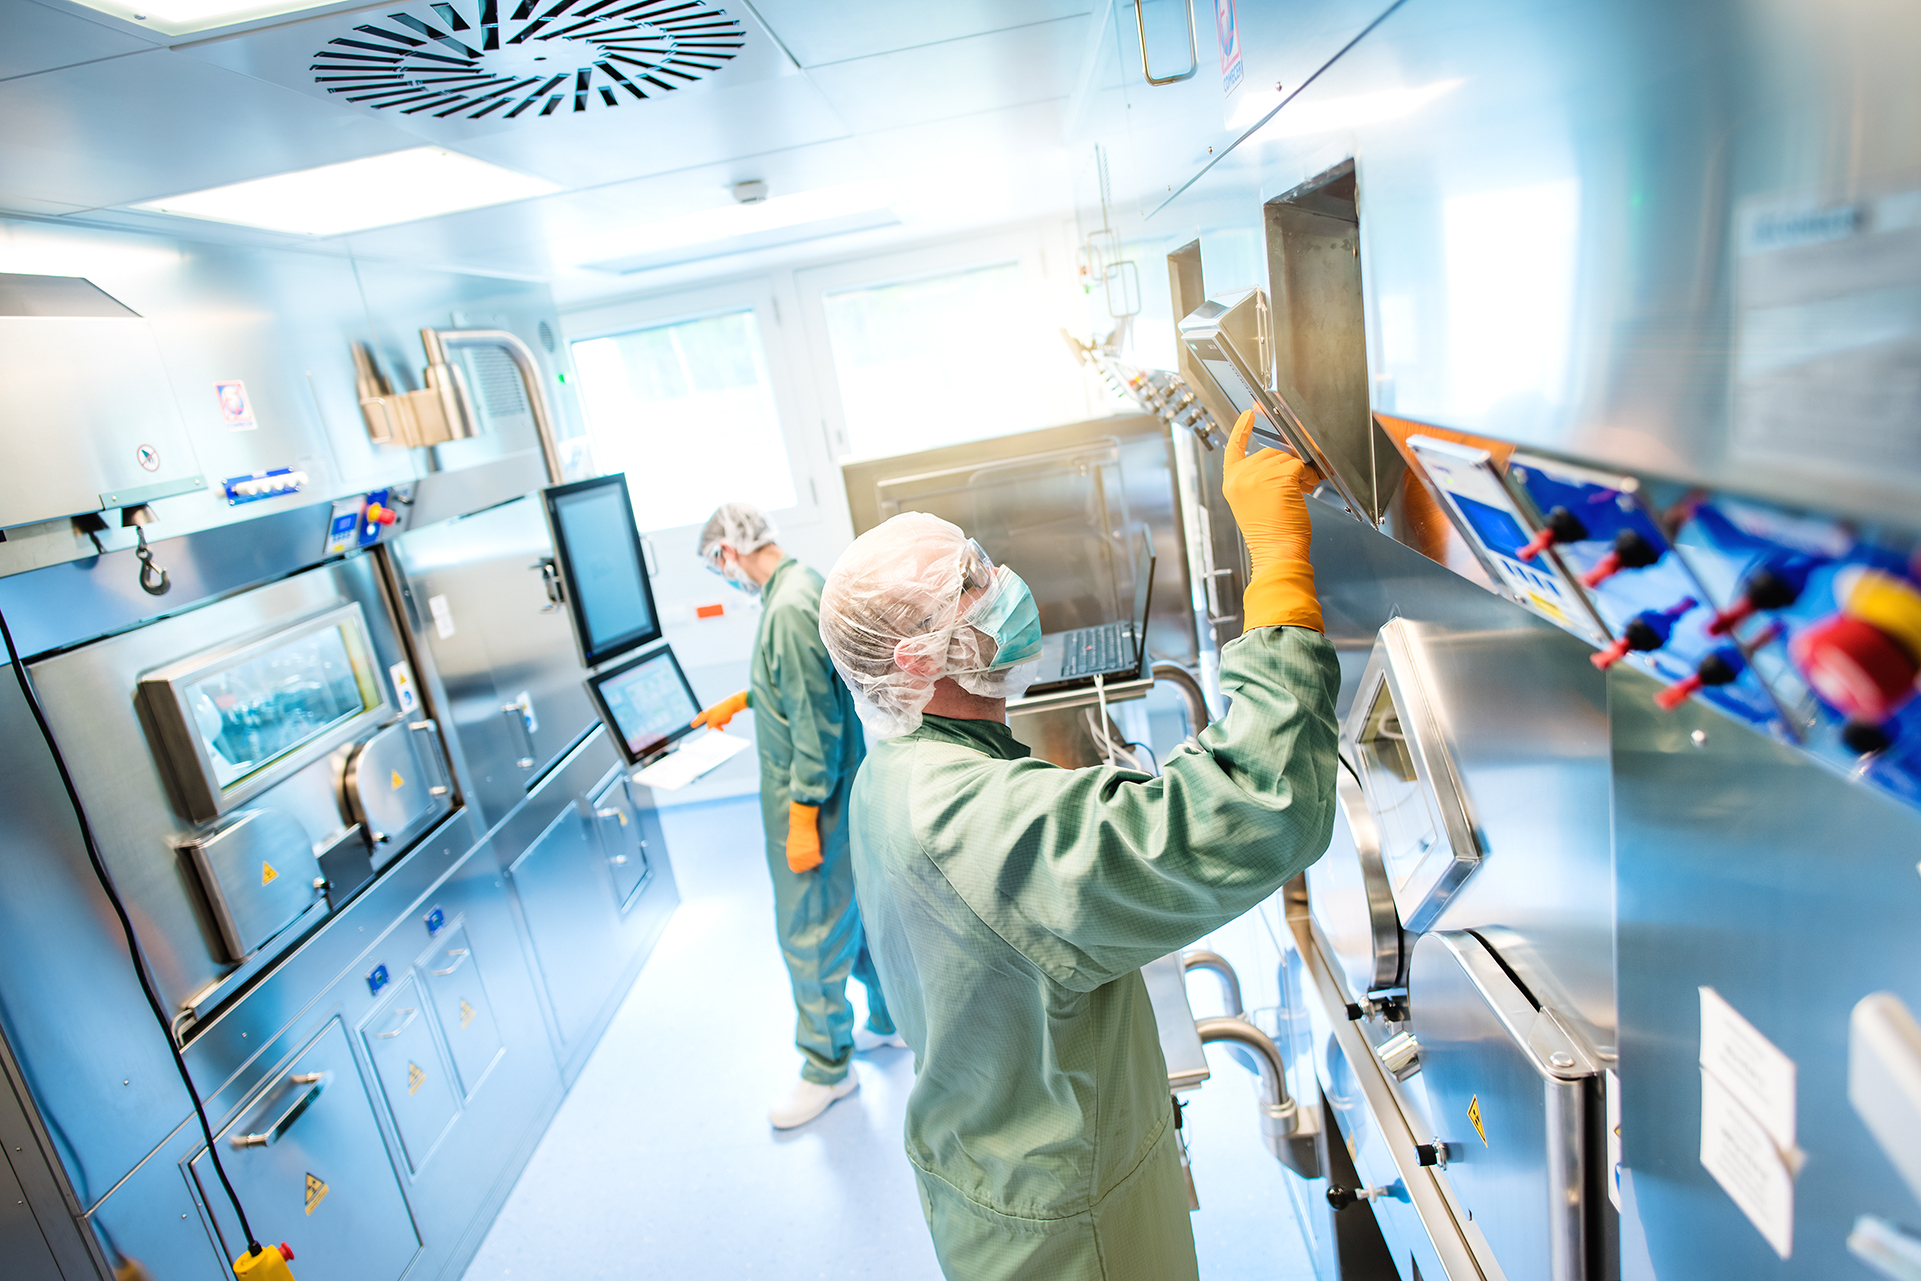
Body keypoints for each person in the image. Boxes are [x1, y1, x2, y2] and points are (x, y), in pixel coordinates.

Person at [815, 411, 1339, 1280]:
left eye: (978, 560)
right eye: (970, 586)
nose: (1002, 582)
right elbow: (1253, 806)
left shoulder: (903, 766)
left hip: (996, 1162)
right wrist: (1279, 566)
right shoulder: (968, 819)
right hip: (1065, 1221)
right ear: (916, 660)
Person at [692, 502, 903, 1131]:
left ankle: (827, 1069)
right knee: (855, 913)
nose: (723, 575)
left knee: (810, 933)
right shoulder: (803, 583)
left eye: (717, 565)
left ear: (729, 552)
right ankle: (889, 1021)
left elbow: (818, 725)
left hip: (818, 800)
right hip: (846, 792)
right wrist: (750, 697)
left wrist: (804, 814)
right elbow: (808, 686)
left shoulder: (784, 610)